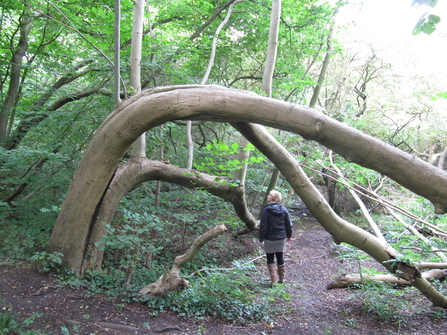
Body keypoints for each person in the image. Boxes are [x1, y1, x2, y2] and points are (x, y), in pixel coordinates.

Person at [259, 190, 293, 285]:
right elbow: (289, 225)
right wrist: (289, 236)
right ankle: (282, 279)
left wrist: (261, 239)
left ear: (273, 197)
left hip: (269, 238)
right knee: (280, 256)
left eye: (269, 195)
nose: (267, 196)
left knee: (270, 258)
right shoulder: (284, 209)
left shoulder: (266, 210)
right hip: (281, 238)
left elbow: (263, 227)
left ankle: (274, 281)